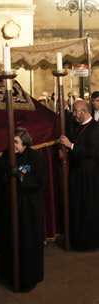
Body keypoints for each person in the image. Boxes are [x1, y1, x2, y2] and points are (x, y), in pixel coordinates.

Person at [0, 128, 46, 292]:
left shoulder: (35, 157)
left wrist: (20, 175)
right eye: (11, 142)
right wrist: (6, 176)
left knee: (28, 241)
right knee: (11, 239)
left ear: (25, 142)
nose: (13, 145)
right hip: (10, 205)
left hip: (28, 207)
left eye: (16, 142)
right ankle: (11, 275)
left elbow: (39, 180)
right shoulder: (6, 155)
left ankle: (28, 278)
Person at [60, 99, 99, 251]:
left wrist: (71, 146)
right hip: (76, 174)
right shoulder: (76, 127)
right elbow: (75, 149)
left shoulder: (95, 128)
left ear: (84, 112)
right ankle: (76, 240)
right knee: (76, 207)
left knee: (87, 208)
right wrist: (67, 153)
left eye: (76, 112)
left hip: (89, 176)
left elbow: (91, 151)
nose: (74, 114)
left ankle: (89, 243)